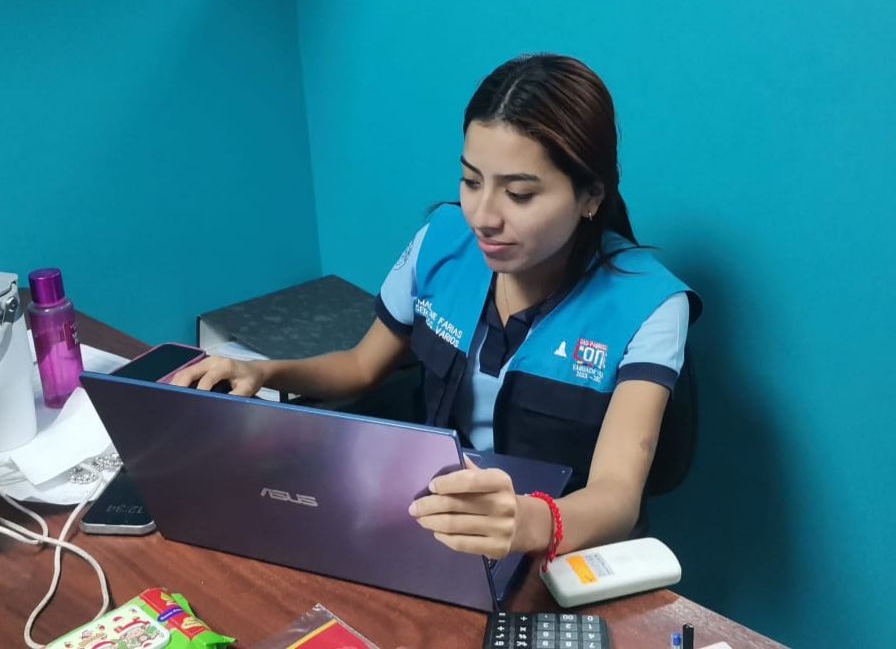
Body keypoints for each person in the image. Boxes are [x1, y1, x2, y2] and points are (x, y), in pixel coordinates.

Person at [172, 54, 700, 565]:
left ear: (590, 196)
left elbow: (616, 496)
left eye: (519, 194)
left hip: (558, 553)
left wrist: (528, 522)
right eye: (471, 181)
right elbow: (360, 367)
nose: (483, 216)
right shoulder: (442, 241)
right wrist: (262, 372)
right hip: (437, 527)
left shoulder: (649, 305)